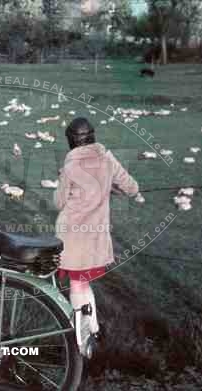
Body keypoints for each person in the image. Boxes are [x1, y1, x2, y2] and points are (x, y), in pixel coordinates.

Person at [54, 117, 141, 358]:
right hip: (95, 235)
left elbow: (59, 202)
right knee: (84, 283)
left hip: (73, 234)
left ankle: (81, 345)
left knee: (77, 284)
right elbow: (132, 188)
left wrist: (63, 179)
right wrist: (107, 187)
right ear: (92, 136)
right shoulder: (107, 157)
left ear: (71, 140)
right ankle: (93, 330)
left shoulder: (70, 164)